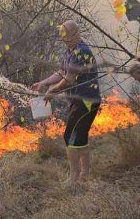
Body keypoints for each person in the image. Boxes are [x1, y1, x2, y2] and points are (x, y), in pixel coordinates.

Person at [31, 20, 102, 184]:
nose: (61, 37)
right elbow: (61, 73)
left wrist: (52, 91)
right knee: (80, 136)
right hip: (78, 101)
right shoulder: (69, 52)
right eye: (61, 34)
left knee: (70, 136)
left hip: (86, 101)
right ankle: (85, 174)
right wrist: (44, 83)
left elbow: (69, 79)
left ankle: (73, 178)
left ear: (74, 34)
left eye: (64, 34)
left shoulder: (82, 53)